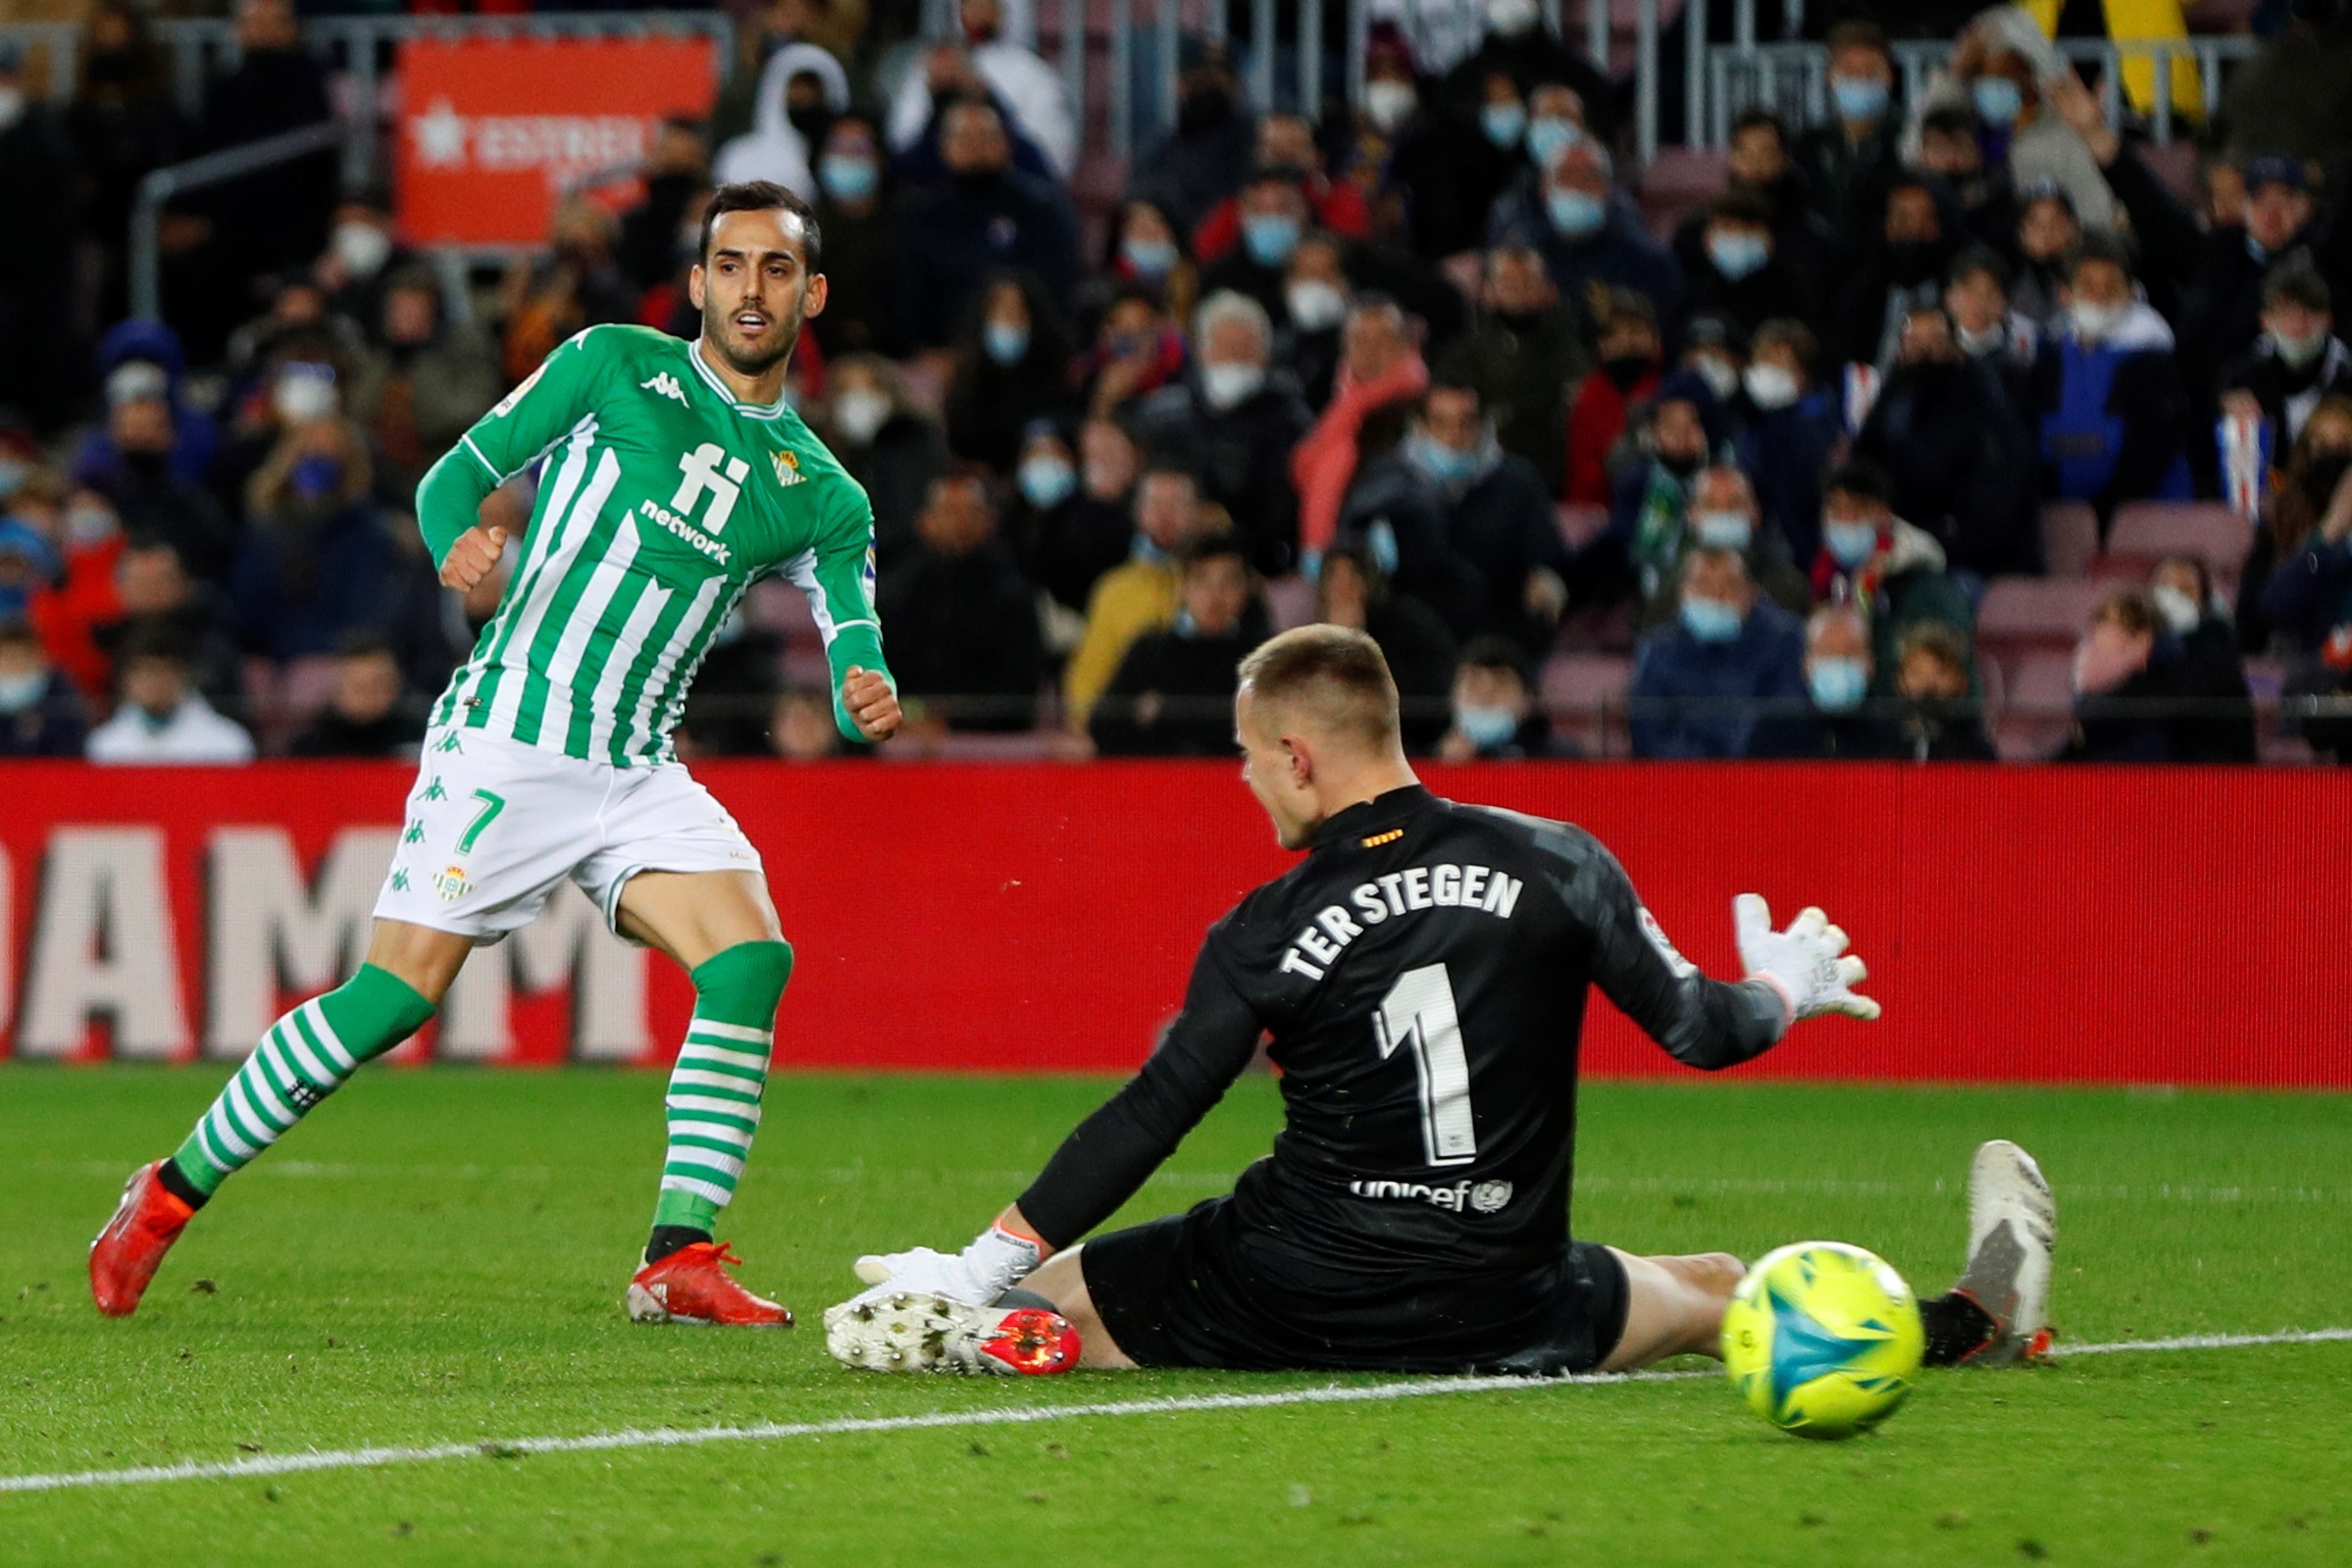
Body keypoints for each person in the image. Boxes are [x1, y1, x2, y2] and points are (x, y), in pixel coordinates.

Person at [88, 182, 904, 1328]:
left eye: (775, 269)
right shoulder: (610, 363)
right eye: (729, 265)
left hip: (635, 767)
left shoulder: (824, 492)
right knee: (390, 1001)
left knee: (748, 963)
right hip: (510, 735)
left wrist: (863, 684)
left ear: (810, 293)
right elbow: (449, 478)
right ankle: (166, 1197)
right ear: (697, 283)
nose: (749, 288)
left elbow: (851, 622)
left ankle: (678, 1255)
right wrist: (453, 547)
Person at [823, 626, 2054, 1384]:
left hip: (1280, 1289)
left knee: (1065, 1286)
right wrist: (1783, 984)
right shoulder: (1558, 859)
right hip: (1509, 1302)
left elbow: (1155, 1114)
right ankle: (1967, 1322)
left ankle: (1002, 1327)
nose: (1248, 780)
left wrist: (989, 1260)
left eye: (1252, 756)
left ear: (1299, 757)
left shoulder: (1267, 922)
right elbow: (1704, 1032)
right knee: (1724, 1285)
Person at [1340, 379, 1570, 648]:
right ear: (1421, 427)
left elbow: (1548, 554)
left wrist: (1547, 579)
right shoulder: (1385, 483)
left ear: (1483, 425)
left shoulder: (1517, 483)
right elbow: (1347, 549)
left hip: (1497, 636)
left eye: (1466, 422)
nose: (1454, 435)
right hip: (1404, 640)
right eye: (1441, 423)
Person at [1134, 290, 1314, 578]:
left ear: (1265, 354)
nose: (1235, 359)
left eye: (1245, 348)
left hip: (1259, 565)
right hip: (1162, 561)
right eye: (1224, 347)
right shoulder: (1163, 417)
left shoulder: (1291, 423)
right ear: (1202, 350)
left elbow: (1289, 505)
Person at [1855, 305, 2041, 579]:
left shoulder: (1986, 403)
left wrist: (1937, 543)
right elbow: (1864, 469)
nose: (1924, 351)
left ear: (1956, 349)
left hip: (1976, 562)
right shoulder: (1894, 398)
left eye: (1934, 341)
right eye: (1914, 342)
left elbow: (1997, 501)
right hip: (1900, 548)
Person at [2025, 234, 2193, 516]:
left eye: (2112, 286)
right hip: (2064, 524)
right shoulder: (2048, 360)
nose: (2100, 296)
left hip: (2146, 523)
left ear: (2130, 292)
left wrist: (2100, 513)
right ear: (2065, 294)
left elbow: (2149, 457)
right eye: (2088, 286)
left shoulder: (2153, 358)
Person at [893, 100, 1080, 351]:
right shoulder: (921, 213)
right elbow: (909, 294)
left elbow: (1058, 287)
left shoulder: (1041, 207)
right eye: (963, 137)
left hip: (1029, 351)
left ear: (1007, 143)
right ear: (943, 146)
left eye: (985, 135)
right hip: (944, 356)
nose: (975, 145)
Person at [875, 472, 1044, 733]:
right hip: (904, 732)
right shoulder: (896, 592)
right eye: (950, 511)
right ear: (925, 522)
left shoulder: (1013, 594)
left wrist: (951, 723)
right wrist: (909, 717)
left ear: (988, 520)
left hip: (992, 743)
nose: (960, 522)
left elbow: (1019, 691)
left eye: (970, 512)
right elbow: (882, 670)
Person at [1809, 459, 1978, 699]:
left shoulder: (1927, 587)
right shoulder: (1825, 581)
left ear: (1884, 515)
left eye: (1858, 509)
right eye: (1836, 509)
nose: (1845, 520)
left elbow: (1950, 671)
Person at [1063, 461, 1209, 729]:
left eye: (1176, 504)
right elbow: (1088, 677)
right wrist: (1087, 729)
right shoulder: (1113, 590)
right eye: (1155, 504)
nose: (1165, 515)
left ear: (1198, 512)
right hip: (1129, 742)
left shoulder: (1227, 584)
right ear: (1138, 513)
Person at [1090, 537, 1266, 756]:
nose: (1215, 595)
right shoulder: (1150, 650)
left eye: (1228, 582)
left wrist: (1163, 711)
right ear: (1183, 587)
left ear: (1246, 589)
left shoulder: (1262, 656)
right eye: (1202, 580)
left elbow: (1263, 734)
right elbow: (1103, 725)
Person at [1628, 547, 1808, 759]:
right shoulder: (1658, 649)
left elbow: (1788, 718)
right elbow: (1649, 731)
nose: (1716, 597)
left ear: (1751, 594)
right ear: (1683, 593)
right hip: (1682, 779)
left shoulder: (1786, 640)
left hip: (1765, 776)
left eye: (1729, 586)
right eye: (1703, 586)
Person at [1437, 244, 1590, 493]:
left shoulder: (1570, 352)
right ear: (1487, 291)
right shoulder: (1462, 355)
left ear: (1548, 291)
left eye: (1527, 281)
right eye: (1508, 281)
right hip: (1474, 477)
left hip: (1550, 478)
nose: (1518, 290)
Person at [1291, 296, 1429, 568]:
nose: (1370, 351)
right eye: (1360, 340)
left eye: (1383, 340)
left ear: (1404, 347)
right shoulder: (1338, 407)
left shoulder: (1419, 410)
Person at [887, 0, 1076, 180]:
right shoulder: (934, 64)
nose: (978, 10)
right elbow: (904, 144)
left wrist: (986, 98)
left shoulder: (1032, 73)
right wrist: (940, 98)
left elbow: (1050, 156)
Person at [1315, 542, 1458, 755]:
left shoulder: (1408, 626)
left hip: (1406, 743)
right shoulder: (1310, 636)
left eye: (1353, 577)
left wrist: (1353, 639)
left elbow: (1407, 691)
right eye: (1333, 577)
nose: (1342, 588)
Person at [2240, 396, 2352, 652]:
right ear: (2306, 450)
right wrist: (2330, 529)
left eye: (2345, 445)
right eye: (2323, 446)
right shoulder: (2279, 516)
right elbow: (2269, 607)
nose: (2333, 456)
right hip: (2302, 656)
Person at [815, 354, 947, 569]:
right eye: (847, 392)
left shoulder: (914, 441)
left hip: (909, 561)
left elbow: (913, 516)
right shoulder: (821, 450)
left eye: (868, 390)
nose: (857, 400)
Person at [943, 269, 1078, 475]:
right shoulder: (963, 379)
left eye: (1017, 312)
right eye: (1001, 311)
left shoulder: (1056, 376)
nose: (1009, 321)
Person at [1733, 319, 1843, 567]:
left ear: (1802, 376)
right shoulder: (1746, 418)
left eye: (1782, 365)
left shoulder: (1816, 420)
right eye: (1765, 361)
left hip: (1796, 545)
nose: (1770, 372)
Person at [2217, 261, 2352, 454]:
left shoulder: (2345, 373)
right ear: (2265, 322)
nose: (2298, 326)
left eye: (2309, 313)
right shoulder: (2239, 377)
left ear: (2328, 320)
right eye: (2286, 314)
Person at [1011, 416, 1138, 620]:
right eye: (1036, 455)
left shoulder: (1089, 514)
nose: (1046, 464)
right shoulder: (1007, 515)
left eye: (1056, 455)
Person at [1744, 605, 1904, 760]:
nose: (1839, 661)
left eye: (1850, 651)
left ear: (1870, 664)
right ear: (1807, 666)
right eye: (1827, 651)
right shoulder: (1776, 731)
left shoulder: (1893, 728)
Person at [1794, 18, 1903, 242]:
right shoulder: (1808, 145)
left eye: (1871, 70)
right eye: (1851, 71)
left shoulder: (1909, 138)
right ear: (1831, 76)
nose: (1861, 79)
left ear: (1889, 76)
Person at [84, 623, 255, 765]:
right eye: (147, 672)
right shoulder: (104, 747)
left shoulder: (228, 745)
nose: (157, 683)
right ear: (127, 681)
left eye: (166, 672)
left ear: (184, 676)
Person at [2058, 588, 2191, 762]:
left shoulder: (2151, 727)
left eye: (2111, 634)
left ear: (2143, 645)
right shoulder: (2087, 734)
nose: (2089, 652)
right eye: (2095, 635)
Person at [2148, 556, 2257, 764]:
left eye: (2186, 590)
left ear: (2203, 602)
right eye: (2165, 589)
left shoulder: (2219, 642)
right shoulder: (2131, 642)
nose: (2173, 598)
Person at [713, 41, 851, 201]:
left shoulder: (851, 158)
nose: (805, 96)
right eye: (796, 87)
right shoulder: (741, 158)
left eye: (814, 88)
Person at [1561, 291, 1662, 506]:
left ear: (1654, 341)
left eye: (1636, 331)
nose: (1627, 341)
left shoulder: (1668, 392)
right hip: (1597, 511)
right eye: (1616, 333)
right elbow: (1582, 476)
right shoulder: (1586, 398)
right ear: (1602, 345)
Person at [287, 633, 425, 759]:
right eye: (358, 686)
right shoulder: (311, 748)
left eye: (377, 684)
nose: (368, 694)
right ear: (337, 690)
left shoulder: (423, 738)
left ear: (395, 684)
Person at [1437, 635, 1564, 760]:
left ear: (1528, 699)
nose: (1485, 696)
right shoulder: (1421, 764)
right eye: (1473, 684)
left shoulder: (1563, 764)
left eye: (1501, 683)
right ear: (1452, 697)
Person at [1891, 622, 1998, 761]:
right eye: (1916, 672)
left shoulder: (1974, 747)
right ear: (1899, 680)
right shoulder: (1885, 741)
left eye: (1939, 672)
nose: (1928, 683)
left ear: (1961, 682)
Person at [0, 615, 87, 757]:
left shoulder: (65, 704)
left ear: (41, 659)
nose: (15, 665)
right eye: (7, 657)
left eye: (23, 657)